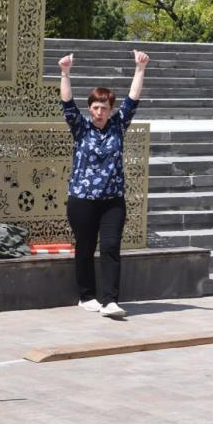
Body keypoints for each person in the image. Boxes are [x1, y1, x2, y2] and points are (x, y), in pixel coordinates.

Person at [58, 50, 149, 318]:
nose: (99, 112)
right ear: (91, 109)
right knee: (85, 246)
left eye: (104, 108)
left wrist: (140, 68)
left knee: (110, 247)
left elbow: (133, 100)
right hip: (82, 199)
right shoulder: (81, 127)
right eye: (95, 108)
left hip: (112, 200)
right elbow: (67, 103)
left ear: (111, 110)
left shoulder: (118, 126)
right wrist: (65, 73)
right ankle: (87, 296)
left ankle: (110, 301)